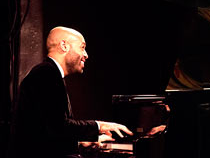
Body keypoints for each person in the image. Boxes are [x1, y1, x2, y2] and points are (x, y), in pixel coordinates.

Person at [13, 26, 133, 158]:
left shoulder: (50, 73)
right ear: (64, 46)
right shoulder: (46, 74)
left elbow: (47, 131)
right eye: (82, 47)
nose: (86, 55)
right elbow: (58, 126)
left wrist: (80, 143)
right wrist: (100, 126)